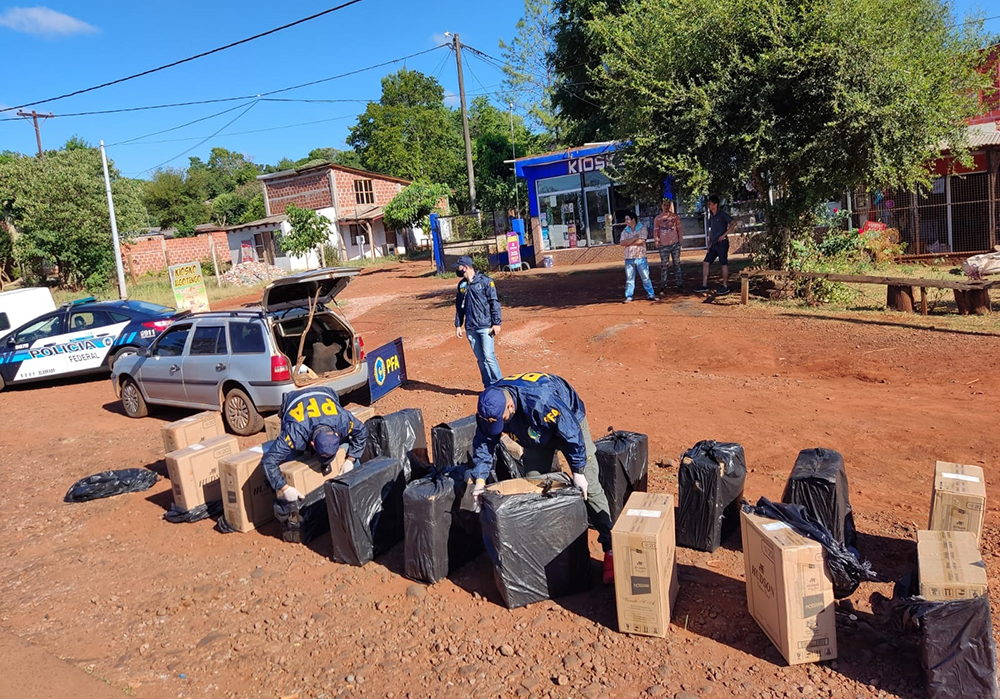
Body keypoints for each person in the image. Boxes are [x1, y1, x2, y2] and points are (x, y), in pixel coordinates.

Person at [470, 372, 617, 584]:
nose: (498, 428)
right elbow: (484, 442)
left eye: (501, 422)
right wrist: (480, 482)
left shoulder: (541, 400)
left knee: (590, 487)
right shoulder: (490, 405)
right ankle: (548, 547)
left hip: (568, 420)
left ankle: (611, 547)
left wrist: (578, 471)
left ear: (510, 407)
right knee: (534, 485)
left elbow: (571, 433)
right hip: (533, 432)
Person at [260, 386, 368, 502]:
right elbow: (269, 461)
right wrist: (284, 488)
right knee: (289, 462)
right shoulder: (295, 433)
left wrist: (350, 460)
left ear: (337, 434)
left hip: (324, 393)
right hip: (294, 401)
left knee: (349, 452)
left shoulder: (342, 421)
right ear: (312, 444)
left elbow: (362, 431)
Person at [454, 255, 503, 388]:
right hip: (471, 328)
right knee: (481, 359)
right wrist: (458, 325)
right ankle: (488, 387)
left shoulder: (486, 282)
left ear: (465, 267)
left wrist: (497, 323)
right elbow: (459, 306)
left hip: (485, 326)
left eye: (459, 267)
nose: (457, 270)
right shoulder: (462, 285)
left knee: (489, 356)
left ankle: (502, 385)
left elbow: (494, 302)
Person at [695, 194, 739, 295]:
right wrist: (709, 243)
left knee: (723, 264)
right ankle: (704, 285)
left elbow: (734, 223)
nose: (708, 205)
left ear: (715, 204)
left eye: (710, 203)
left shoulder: (722, 214)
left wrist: (724, 235)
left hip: (722, 243)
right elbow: (711, 230)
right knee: (706, 262)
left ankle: (725, 286)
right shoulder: (712, 216)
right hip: (713, 244)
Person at [620, 214, 657, 303]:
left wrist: (629, 242)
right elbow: (622, 242)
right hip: (629, 258)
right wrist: (634, 238)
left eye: (627, 219)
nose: (626, 221)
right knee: (629, 278)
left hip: (641, 257)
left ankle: (651, 294)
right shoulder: (625, 231)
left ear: (633, 219)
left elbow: (641, 241)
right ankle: (629, 296)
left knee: (645, 276)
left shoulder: (642, 228)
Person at [653, 199, 684, 293]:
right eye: (664, 205)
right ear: (661, 206)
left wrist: (680, 240)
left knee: (677, 264)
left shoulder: (675, 217)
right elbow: (656, 231)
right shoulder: (658, 218)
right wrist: (656, 241)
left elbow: (679, 229)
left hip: (674, 244)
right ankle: (663, 286)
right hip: (664, 245)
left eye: (667, 205)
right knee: (664, 265)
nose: (666, 207)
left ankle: (679, 284)